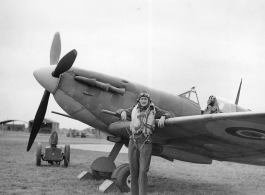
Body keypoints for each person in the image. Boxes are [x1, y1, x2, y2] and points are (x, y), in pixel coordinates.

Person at [117, 91, 175, 195]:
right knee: (133, 170)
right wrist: (123, 112)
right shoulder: (134, 109)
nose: (143, 101)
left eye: (145, 99)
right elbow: (119, 110)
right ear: (139, 100)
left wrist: (163, 117)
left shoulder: (154, 109)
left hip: (146, 142)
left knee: (143, 171)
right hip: (133, 141)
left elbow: (170, 113)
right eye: (142, 99)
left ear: (148, 101)